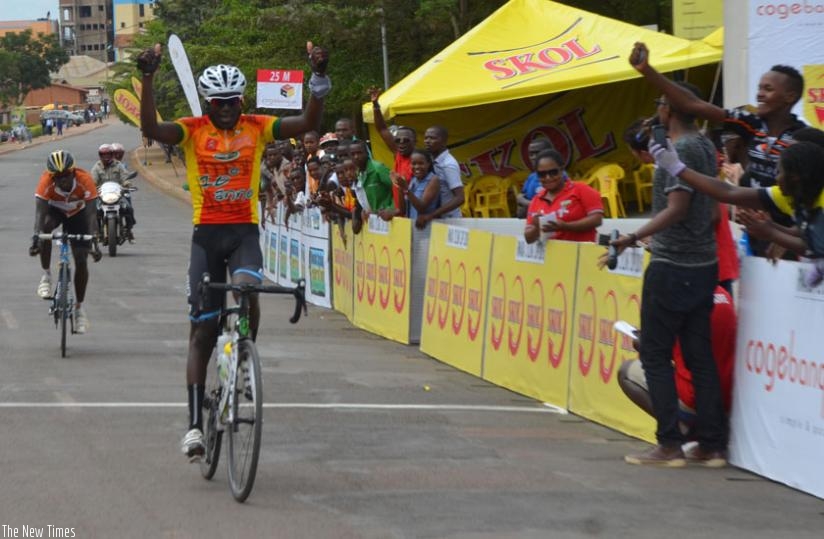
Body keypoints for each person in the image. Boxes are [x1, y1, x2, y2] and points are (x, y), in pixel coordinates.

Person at [137, 40, 331, 461]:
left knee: (247, 292)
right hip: (206, 237)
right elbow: (152, 130)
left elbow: (306, 123)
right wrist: (148, 77)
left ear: (242, 101)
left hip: (244, 233)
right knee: (202, 332)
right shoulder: (191, 130)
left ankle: (244, 358)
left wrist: (318, 81)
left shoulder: (258, 126)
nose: (226, 108)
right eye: (219, 101)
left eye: (233, 101)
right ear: (208, 102)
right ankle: (192, 427)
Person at [609, 83, 727, 467]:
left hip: (673, 264)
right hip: (703, 263)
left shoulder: (683, 150)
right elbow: (709, 213)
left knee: (655, 355)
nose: (656, 109)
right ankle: (711, 445)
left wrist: (633, 236)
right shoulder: (707, 146)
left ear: (669, 109)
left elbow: (677, 207)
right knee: (699, 356)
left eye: (660, 102)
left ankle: (669, 444)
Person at [630, 42, 805, 257]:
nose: (759, 94)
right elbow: (695, 105)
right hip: (755, 233)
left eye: (768, 89)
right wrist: (647, 70)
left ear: (790, 96)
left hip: (788, 240)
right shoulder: (751, 124)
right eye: (759, 88)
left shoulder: (802, 139)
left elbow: (810, 196)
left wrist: (786, 237)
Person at [648, 138, 824, 271]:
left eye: (780, 172)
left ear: (795, 178)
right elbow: (728, 192)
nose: (776, 178)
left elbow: (815, 248)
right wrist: (677, 168)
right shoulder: (789, 193)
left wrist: (770, 233)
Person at [617, 285, 736, 467]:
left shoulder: (679, 301)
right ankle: (710, 443)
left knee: (626, 371)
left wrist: (643, 342)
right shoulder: (725, 297)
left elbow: (658, 354)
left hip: (693, 397)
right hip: (727, 398)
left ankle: (674, 433)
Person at [30, 150, 101, 334]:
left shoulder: (85, 180)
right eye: (57, 177)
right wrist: (36, 238)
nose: (62, 180)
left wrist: (94, 241)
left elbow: (92, 215)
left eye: (66, 175)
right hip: (56, 212)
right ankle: (46, 276)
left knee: (80, 258)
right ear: (52, 177)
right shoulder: (45, 183)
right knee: (45, 228)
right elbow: (40, 214)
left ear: (73, 172)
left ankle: (79, 309)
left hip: (78, 214)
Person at [523, 149, 603, 244]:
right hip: (553, 256)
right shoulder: (536, 200)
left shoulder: (581, 189)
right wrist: (537, 227)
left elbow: (597, 219)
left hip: (582, 253)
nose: (548, 177)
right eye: (542, 174)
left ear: (561, 170)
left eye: (553, 172)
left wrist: (565, 226)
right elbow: (528, 239)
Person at [368, 86, 416, 216]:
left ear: (414, 142)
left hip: (412, 215)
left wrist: (396, 212)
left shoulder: (418, 162)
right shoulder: (399, 154)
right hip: (399, 216)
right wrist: (375, 105)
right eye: (398, 140)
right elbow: (382, 129)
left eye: (406, 140)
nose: (401, 143)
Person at [421, 125, 465, 226]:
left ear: (444, 141)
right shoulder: (431, 161)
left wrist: (432, 215)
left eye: (432, 138)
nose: (427, 141)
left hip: (449, 220)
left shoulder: (448, 165)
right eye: (426, 138)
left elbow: (460, 198)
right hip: (435, 219)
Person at [91, 143, 137, 241]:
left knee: (128, 208)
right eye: (104, 155)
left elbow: (124, 177)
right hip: (102, 195)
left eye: (108, 154)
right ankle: (96, 231)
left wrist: (128, 184)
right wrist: (92, 188)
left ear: (112, 155)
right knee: (93, 211)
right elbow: (93, 181)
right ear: (100, 155)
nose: (106, 156)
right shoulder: (96, 167)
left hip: (117, 194)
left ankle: (129, 229)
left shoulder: (119, 165)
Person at [392, 149, 441, 228]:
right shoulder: (413, 180)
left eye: (421, 163)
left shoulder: (433, 180)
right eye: (413, 164)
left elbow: (421, 208)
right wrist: (400, 187)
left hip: (427, 227)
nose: (417, 167)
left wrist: (406, 189)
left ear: (428, 164)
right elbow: (403, 210)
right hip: (412, 227)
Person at [350, 139, 396, 221]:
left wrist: (391, 208)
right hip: (374, 221)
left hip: (390, 219)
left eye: (359, 153)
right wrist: (364, 210)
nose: (356, 157)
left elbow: (397, 189)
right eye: (353, 154)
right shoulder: (358, 173)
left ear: (367, 153)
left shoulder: (378, 169)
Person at [516, 138, 554, 218]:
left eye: (537, 153)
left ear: (549, 153)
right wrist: (520, 199)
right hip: (532, 223)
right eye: (531, 154)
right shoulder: (531, 177)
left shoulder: (558, 176)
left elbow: (556, 204)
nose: (533, 157)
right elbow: (522, 197)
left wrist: (525, 202)